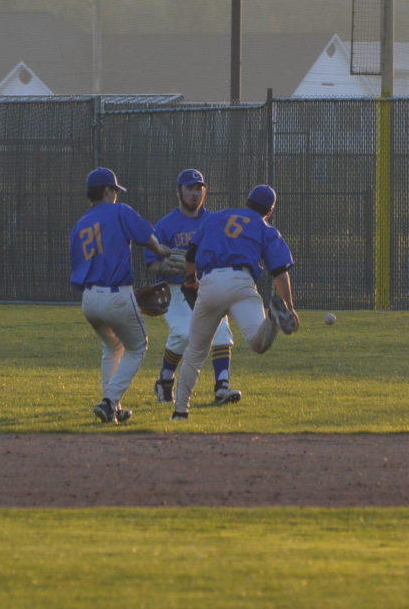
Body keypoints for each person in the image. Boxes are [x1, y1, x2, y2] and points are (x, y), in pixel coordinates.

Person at [171, 184, 299, 420]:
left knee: (195, 353)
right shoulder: (264, 227)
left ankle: (180, 411)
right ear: (269, 211)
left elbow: (191, 254)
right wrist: (289, 307)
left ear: (247, 201)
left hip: (210, 283)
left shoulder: (215, 218)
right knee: (257, 343)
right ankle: (273, 317)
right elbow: (280, 271)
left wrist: (190, 280)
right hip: (241, 283)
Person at [69, 167, 173, 424]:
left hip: (89, 300)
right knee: (137, 347)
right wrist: (160, 249)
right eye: (114, 190)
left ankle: (113, 407)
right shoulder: (119, 211)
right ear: (107, 191)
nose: (116, 195)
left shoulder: (79, 225)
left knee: (112, 346)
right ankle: (109, 402)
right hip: (116, 294)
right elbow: (145, 236)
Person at [150, 168, 241, 407]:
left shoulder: (214, 222)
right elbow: (151, 264)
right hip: (174, 288)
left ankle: (222, 387)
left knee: (221, 332)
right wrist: (166, 266)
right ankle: (165, 380)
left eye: (199, 188)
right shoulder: (166, 225)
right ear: (179, 191)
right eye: (189, 188)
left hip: (206, 286)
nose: (195, 193)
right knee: (183, 333)